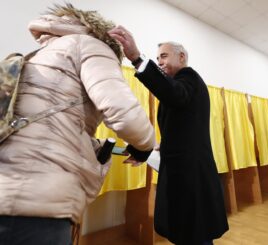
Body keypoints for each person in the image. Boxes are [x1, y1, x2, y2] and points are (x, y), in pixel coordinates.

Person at [0, 4, 155, 244]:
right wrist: (145, 146)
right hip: (35, 198)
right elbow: (123, 111)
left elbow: (50, 129)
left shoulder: (39, 55)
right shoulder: (90, 45)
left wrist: (96, 146)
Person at [108, 26, 229, 245]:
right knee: (188, 232)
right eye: (157, 58)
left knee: (194, 233)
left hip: (190, 177)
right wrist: (144, 152)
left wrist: (137, 59)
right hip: (183, 175)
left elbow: (175, 94)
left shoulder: (188, 77)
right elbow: (180, 132)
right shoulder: (178, 87)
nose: (160, 61)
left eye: (163, 56)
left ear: (182, 57)